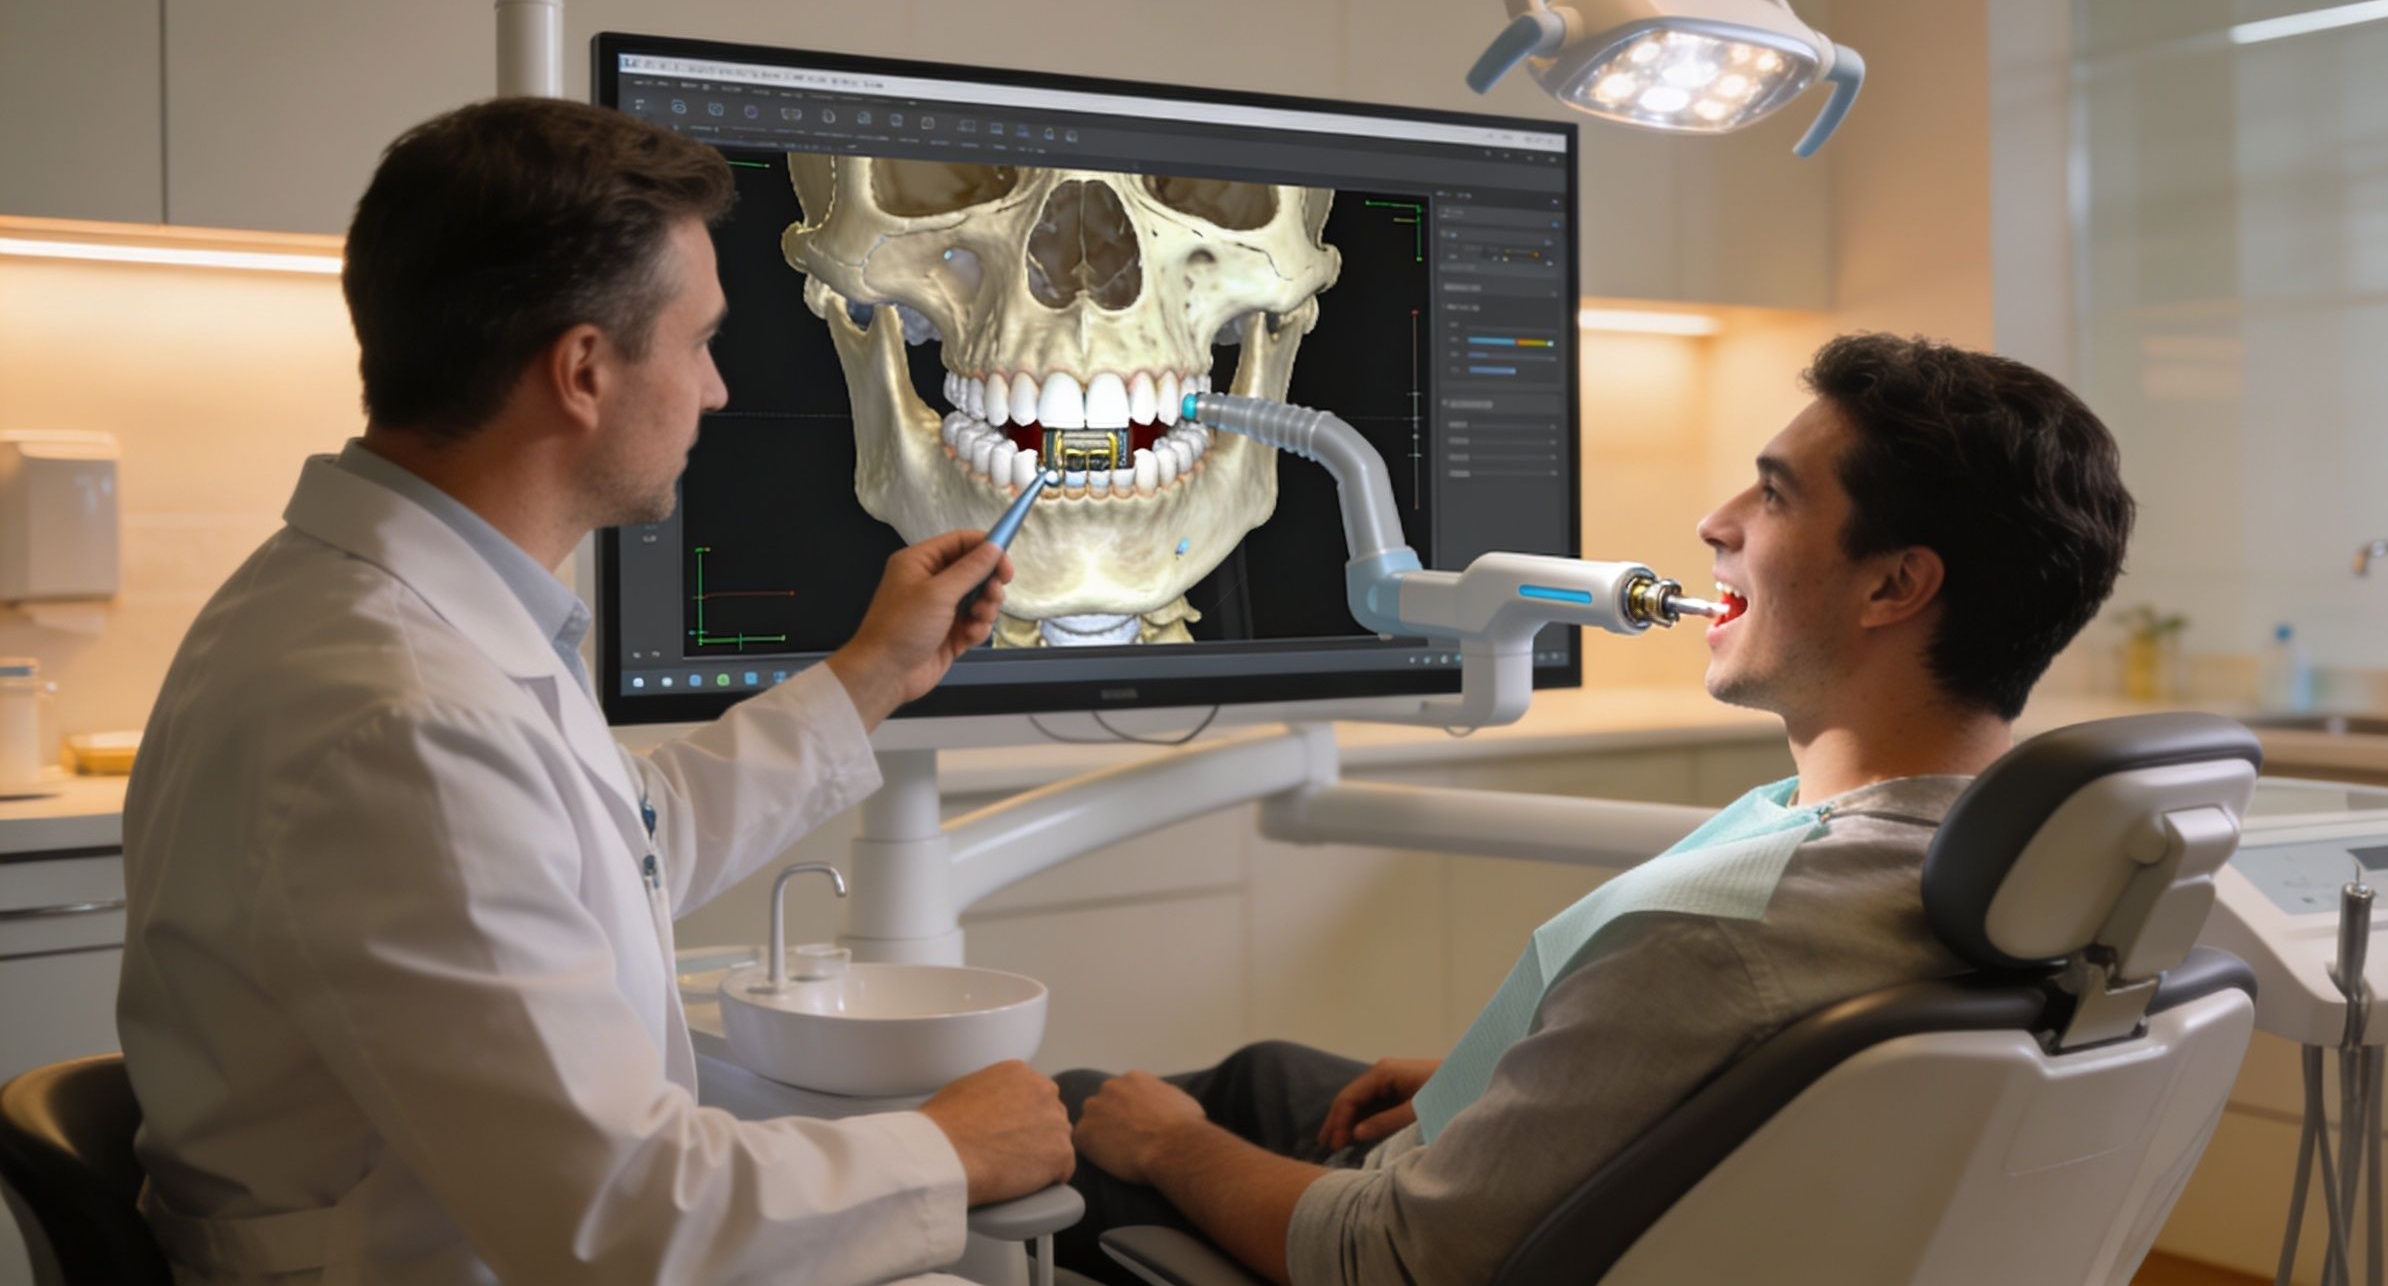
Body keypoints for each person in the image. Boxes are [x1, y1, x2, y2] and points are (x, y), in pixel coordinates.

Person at [117, 98, 1072, 1286]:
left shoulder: (384, 612)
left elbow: (620, 838)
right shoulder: (405, 717)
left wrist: (872, 673)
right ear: (582, 371)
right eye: (699, 343)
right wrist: (945, 1150)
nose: (717, 392)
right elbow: (628, 1222)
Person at [1059, 333, 2139, 1285]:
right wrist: (1530, 1073)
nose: (1713, 522)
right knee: (1262, 1075)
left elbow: (1388, 1258)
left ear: (1892, 587)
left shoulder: (1722, 936)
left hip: (1397, 1237)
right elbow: (1781, 1102)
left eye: (1772, 496)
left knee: (1071, 1113)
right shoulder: (2036, 878)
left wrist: (1167, 1147)